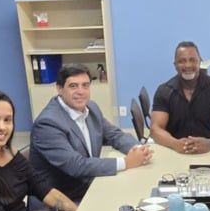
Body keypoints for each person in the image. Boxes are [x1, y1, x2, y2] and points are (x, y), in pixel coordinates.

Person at [29, 63, 152, 202]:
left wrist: (139, 149)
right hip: (64, 200)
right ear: (60, 89)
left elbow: (114, 135)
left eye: (85, 85)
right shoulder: (47, 124)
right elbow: (75, 165)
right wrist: (126, 162)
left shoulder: (91, 108)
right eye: (73, 86)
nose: (80, 91)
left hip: (89, 185)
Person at [150, 41, 210, 154]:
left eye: (192, 60)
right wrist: (175, 144)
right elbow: (155, 129)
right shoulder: (164, 91)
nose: (188, 65)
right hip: (175, 152)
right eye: (182, 61)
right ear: (175, 65)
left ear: (200, 62)